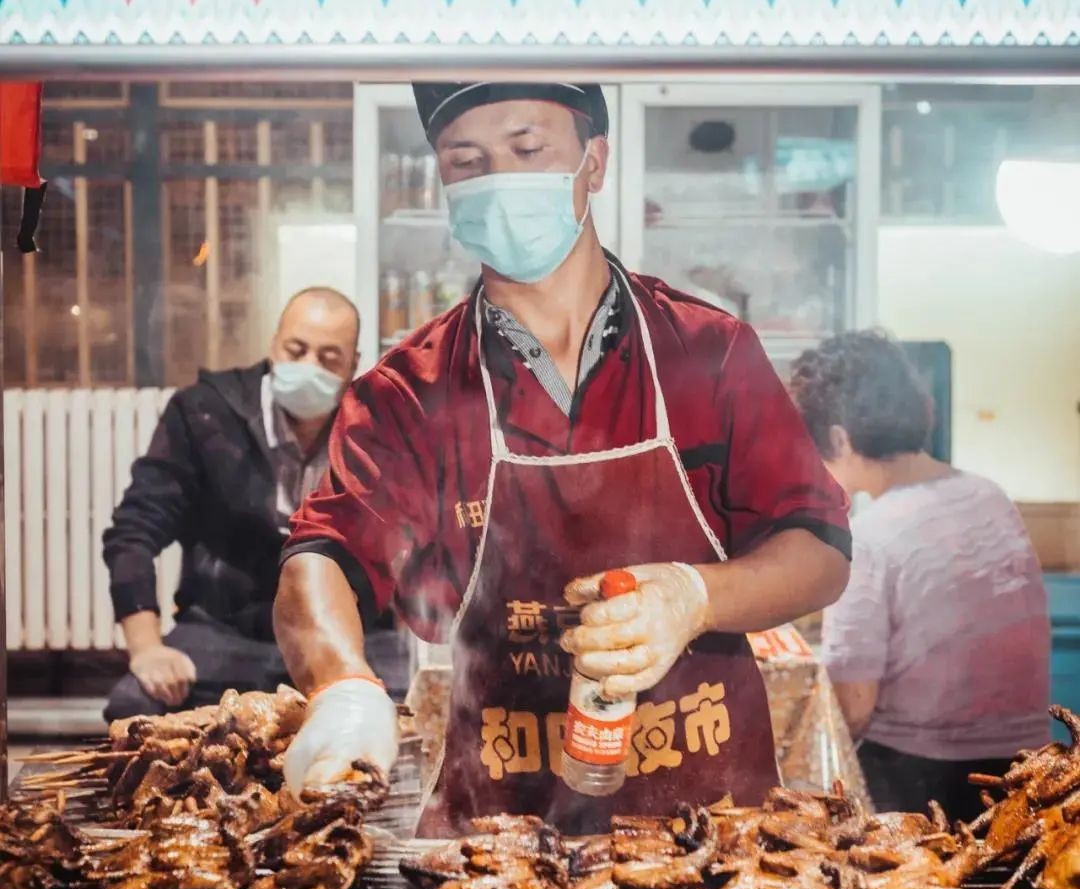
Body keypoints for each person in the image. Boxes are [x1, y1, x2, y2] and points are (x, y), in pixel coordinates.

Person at [275, 81, 851, 834]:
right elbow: (318, 560)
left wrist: (696, 596)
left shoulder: (709, 353)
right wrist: (343, 689)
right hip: (502, 834)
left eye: (527, 148)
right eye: (466, 161)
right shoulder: (404, 394)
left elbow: (822, 550)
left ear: (594, 162)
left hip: (708, 827)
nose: (499, 179)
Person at [789, 330, 1051, 821]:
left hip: (925, 785)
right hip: (1025, 777)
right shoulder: (990, 495)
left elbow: (852, 709)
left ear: (841, 439)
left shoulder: (868, 536)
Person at [103, 286, 372, 721]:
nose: (309, 367)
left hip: (342, 636)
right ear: (273, 345)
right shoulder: (203, 414)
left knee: (427, 710)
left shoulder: (374, 429)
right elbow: (133, 531)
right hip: (224, 631)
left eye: (329, 358)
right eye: (296, 349)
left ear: (353, 366)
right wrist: (147, 648)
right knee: (134, 707)